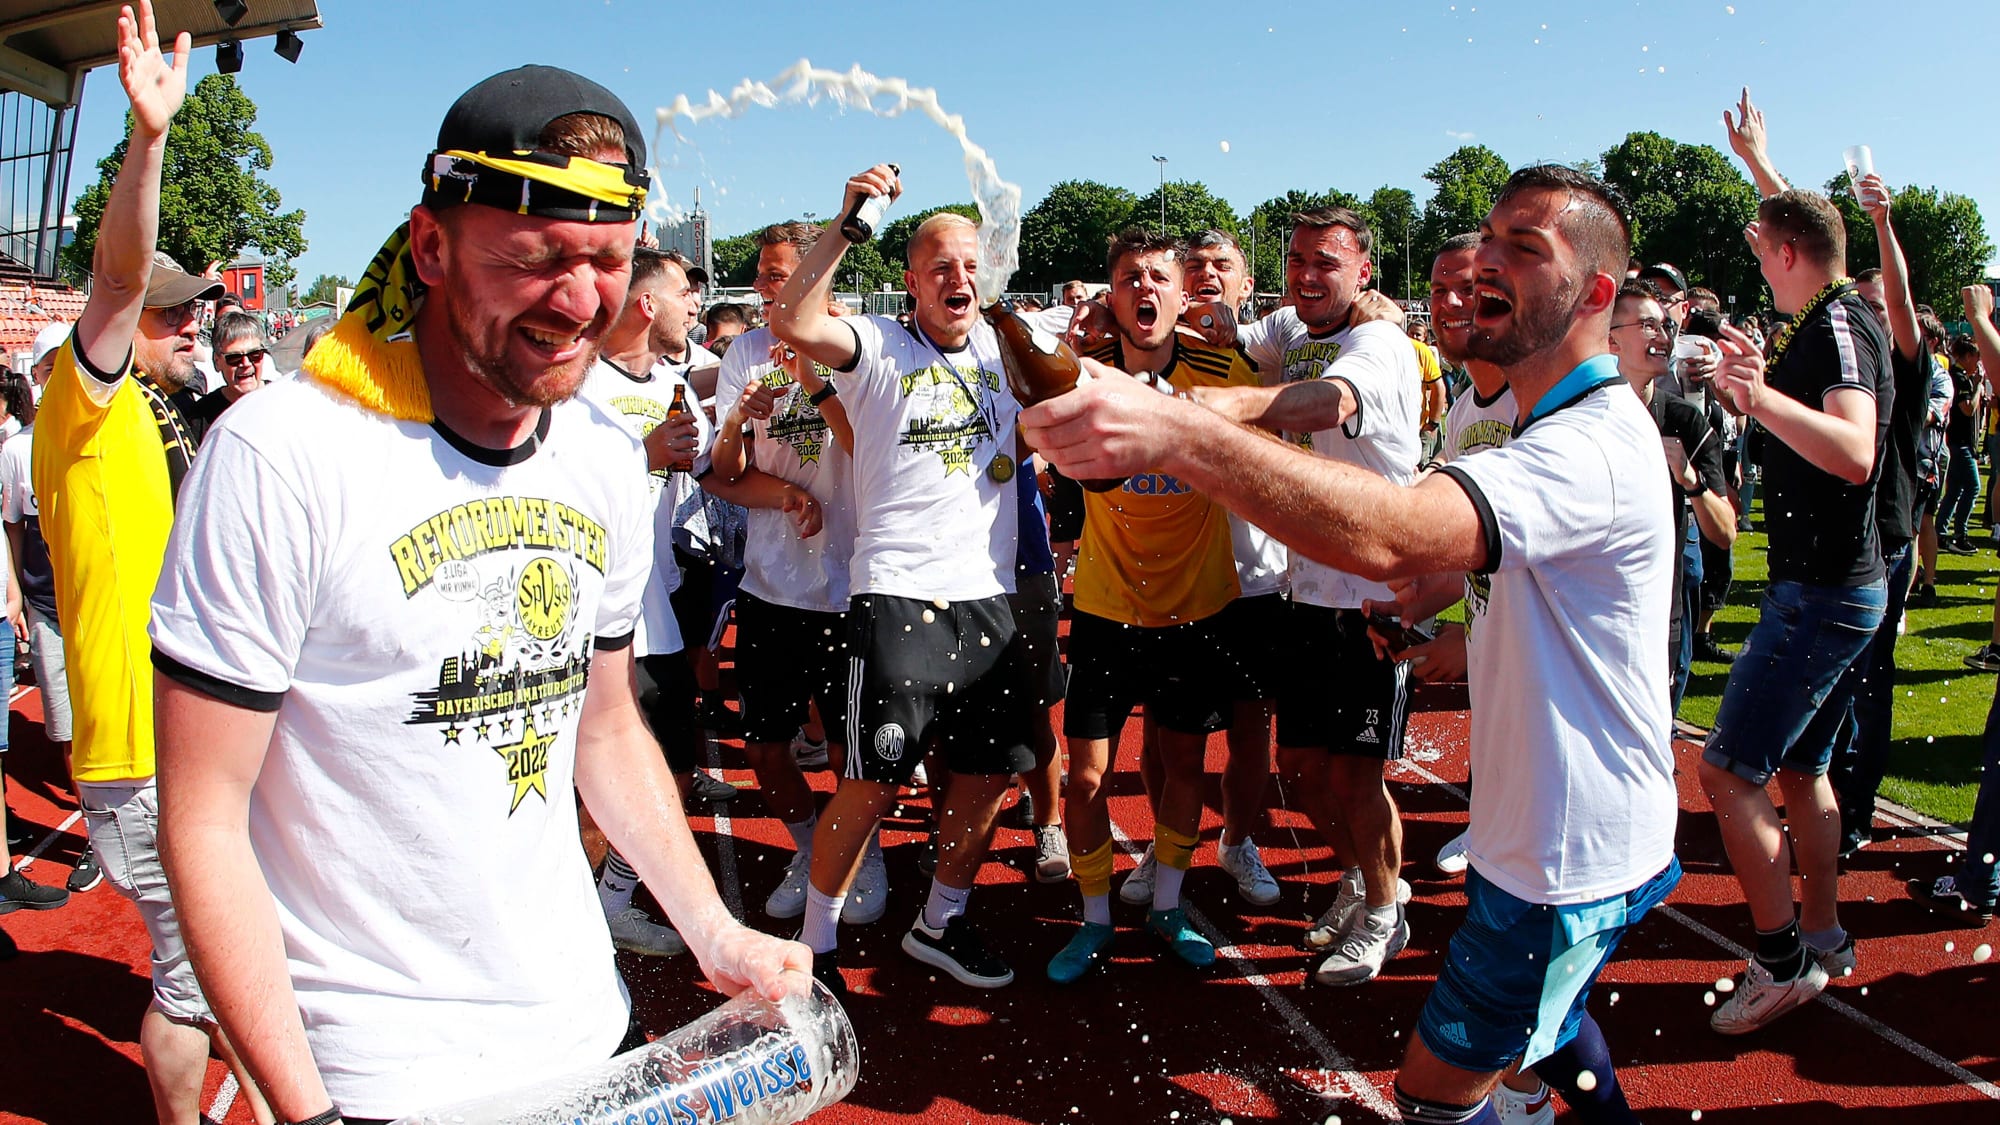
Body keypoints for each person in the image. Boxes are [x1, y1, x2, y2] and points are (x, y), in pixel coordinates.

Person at [150, 63, 806, 1122]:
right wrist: (304, 1108)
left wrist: (713, 930)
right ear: (431, 248)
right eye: (538, 257)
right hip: (374, 1079)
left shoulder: (600, 450)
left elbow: (602, 728)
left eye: (606, 261)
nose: (579, 298)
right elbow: (203, 812)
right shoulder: (284, 455)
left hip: (586, 1035)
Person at [1024, 163, 1679, 1125]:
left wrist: (1181, 430)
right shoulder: (1530, 416)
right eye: (1488, 239)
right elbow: (1476, 553)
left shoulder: (1589, 442)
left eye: (1524, 250)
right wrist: (1443, 597)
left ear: (1596, 295)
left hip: (1564, 858)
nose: (1484, 264)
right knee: (1548, 1043)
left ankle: (1387, 911)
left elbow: (1394, 529)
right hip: (1542, 837)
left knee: (1432, 1096)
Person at [31, 9, 273, 1123]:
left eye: (196, 311)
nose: (192, 326)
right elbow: (120, 280)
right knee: (193, 980)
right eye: (174, 314)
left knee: (225, 961)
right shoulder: (86, 407)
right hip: (136, 744)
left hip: (173, 732)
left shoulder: (149, 412)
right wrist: (147, 141)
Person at [770, 171, 1036, 993]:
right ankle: (815, 945)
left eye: (969, 264)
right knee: (872, 779)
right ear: (912, 281)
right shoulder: (880, 343)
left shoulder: (1006, 345)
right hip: (896, 595)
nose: (958, 278)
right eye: (938, 267)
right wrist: (850, 222)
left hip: (989, 599)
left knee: (988, 777)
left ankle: (941, 922)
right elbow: (795, 319)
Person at [1704, 87, 1892, 1034]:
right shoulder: (1837, 300)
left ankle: (1779, 959)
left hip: (1822, 594)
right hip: (1839, 587)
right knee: (1803, 770)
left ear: (1784, 257)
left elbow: (1855, 452)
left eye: (1758, 242)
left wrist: (1756, 395)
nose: (1754, 255)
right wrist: (1758, 164)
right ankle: (1818, 931)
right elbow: (1810, 229)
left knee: (1728, 772)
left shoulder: (1836, 327)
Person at [1201, 206, 1423, 986]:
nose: (1307, 274)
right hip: (1308, 593)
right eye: (1297, 259)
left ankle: (1387, 915)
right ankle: (1362, 879)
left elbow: (1329, 403)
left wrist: (1232, 408)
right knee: (1298, 764)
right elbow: (1240, 335)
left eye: (1327, 261)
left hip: (1371, 598)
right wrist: (1217, 308)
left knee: (1359, 778)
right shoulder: (1292, 328)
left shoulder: (1382, 344)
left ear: (1363, 270)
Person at [1044, 228, 1254, 983]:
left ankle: (1167, 903)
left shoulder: (1224, 370)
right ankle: (1094, 919)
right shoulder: (1083, 374)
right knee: (1085, 779)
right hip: (1104, 606)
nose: (1146, 289)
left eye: (1159, 276)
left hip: (1196, 608)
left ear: (1181, 290)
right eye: (1130, 276)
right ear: (1112, 292)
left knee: (1185, 764)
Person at [705, 220, 887, 928]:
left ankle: (861, 859)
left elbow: (868, 452)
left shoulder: (858, 344)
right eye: (763, 273)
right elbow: (725, 473)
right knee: (764, 746)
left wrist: (814, 383)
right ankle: (811, 846)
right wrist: (739, 426)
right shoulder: (744, 353)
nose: (762, 285)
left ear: (818, 275)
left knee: (851, 748)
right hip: (770, 585)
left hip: (850, 586)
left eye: (779, 274)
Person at [1118, 227, 1282, 913]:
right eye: (1196, 266)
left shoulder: (1275, 348)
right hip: (1175, 577)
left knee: (1250, 730)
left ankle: (1238, 840)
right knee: (1162, 729)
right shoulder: (1152, 351)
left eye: (1224, 265)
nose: (1208, 274)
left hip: (1258, 577)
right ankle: (1164, 839)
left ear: (1246, 283)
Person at [578, 245, 727, 958]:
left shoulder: (678, 381)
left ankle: (608, 903)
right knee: (582, 777)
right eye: (681, 294)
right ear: (645, 305)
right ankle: (577, 907)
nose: (694, 304)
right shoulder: (575, 385)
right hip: (585, 614)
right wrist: (641, 453)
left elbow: (711, 471)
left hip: (656, 608)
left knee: (665, 770)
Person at [1829, 180, 1942, 856]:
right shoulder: (1839, 363)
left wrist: (1880, 219)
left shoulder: (1906, 366)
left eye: (1878, 306)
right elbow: (1817, 259)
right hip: (1832, 552)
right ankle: (1828, 798)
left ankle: (1857, 809)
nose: (1869, 314)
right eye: (1858, 305)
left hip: (1886, 547)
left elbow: (1896, 298)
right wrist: (1760, 168)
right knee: (1826, 685)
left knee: (1867, 685)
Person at [1607, 280, 1734, 717]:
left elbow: (1724, 531)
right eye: (1647, 325)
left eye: (1665, 326)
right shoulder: (1580, 417)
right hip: (1590, 616)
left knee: (1650, 744)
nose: (1662, 337)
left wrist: (1691, 480)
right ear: (1610, 339)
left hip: (1660, 617)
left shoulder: (1684, 421)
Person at [1940, 336, 1985, 554]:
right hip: (1959, 442)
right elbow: (1968, 408)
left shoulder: (1959, 375)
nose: (1978, 363)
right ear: (1967, 356)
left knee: (1955, 489)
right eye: (1976, 357)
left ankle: (1940, 530)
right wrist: (1977, 388)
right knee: (1973, 487)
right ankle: (1960, 533)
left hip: (1958, 441)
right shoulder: (1959, 377)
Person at [188, 310, 268, 431]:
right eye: (234, 358)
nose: (246, 364)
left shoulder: (283, 401)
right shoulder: (201, 416)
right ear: (217, 361)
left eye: (254, 355)